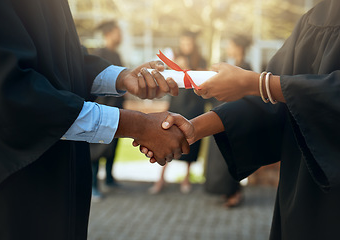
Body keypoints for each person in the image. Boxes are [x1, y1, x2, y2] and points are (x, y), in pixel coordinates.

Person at [0, 1, 188, 239]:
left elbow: (64, 60)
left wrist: (122, 77)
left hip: (64, 176)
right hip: (16, 185)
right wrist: (138, 125)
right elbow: (6, 90)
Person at [139, 1, 340, 238]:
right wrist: (192, 128)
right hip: (304, 192)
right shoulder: (317, 17)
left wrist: (256, 83)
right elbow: (277, 103)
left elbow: (275, 88)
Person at [148, 31, 207, 194]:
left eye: (188, 42)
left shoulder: (200, 61)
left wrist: (190, 69)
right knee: (167, 138)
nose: (185, 45)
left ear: (193, 44)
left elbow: (202, 82)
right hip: (177, 103)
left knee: (191, 140)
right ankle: (161, 179)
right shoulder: (174, 58)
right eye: (183, 42)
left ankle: (186, 178)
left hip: (194, 105)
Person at [205, 34, 252, 208]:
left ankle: (236, 193)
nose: (228, 49)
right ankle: (227, 191)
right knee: (222, 156)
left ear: (239, 47)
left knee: (233, 156)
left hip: (236, 118)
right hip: (224, 115)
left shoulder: (245, 68)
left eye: (230, 45)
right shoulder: (232, 67)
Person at [90, 20, 125, 201]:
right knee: (97, 148)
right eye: (118, 32)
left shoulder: (116, 55)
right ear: (109, 33)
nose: (121, 36)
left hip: (116, 106)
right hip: (103, 107)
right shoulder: (99, 54)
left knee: (112, 146)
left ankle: (110, 178)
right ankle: (94, 185)